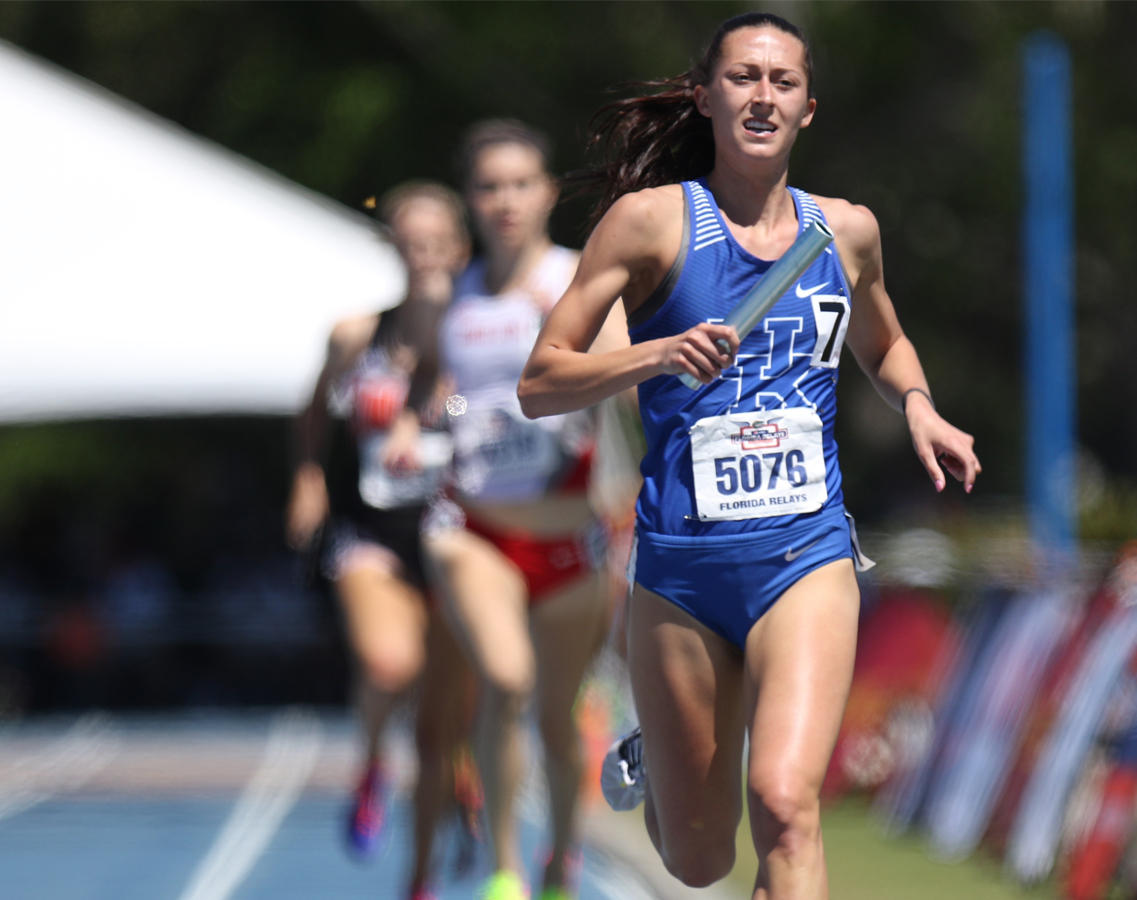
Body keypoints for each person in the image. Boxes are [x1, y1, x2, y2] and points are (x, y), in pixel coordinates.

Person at [518, 13, 981, 899]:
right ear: (706, 96)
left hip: (803, 557)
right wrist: (656, 353)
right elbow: (540, 381)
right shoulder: (649, 225)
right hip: (681, 573)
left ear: (809, 109)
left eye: (783, 82)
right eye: (742, 78)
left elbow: (884, 346)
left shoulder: (844, 233)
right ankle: (660, 749)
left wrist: (919, 406)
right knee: (699, 861)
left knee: (784, 804)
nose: (762, 95)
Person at [420, 120, 627, 900]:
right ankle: (506, 865)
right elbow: (420, 397)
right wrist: (424, 419)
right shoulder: (451, 298)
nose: (504, 200)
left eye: (519, 184)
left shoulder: (582, 279)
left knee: (555, 716)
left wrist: (589, 365)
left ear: (547, 193)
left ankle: (561, 857)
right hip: (475, 530)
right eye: (488, 186)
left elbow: (632, 383)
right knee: (503, 683)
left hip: (570, 536)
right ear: (470, 199)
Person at [285, 181, 476, 900]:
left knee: (442, 728)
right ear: (393, 246)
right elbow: (310, 410)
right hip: (375, 532)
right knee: (388, 664)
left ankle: (421, 875)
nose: (423, 251)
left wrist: (444, 398)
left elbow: (499, 410)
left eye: (437, 239)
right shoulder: (357, 335)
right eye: (410, 238)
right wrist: (308, 476)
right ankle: (369, 762)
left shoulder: (481, 336)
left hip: (460, 539)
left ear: (459, 249)